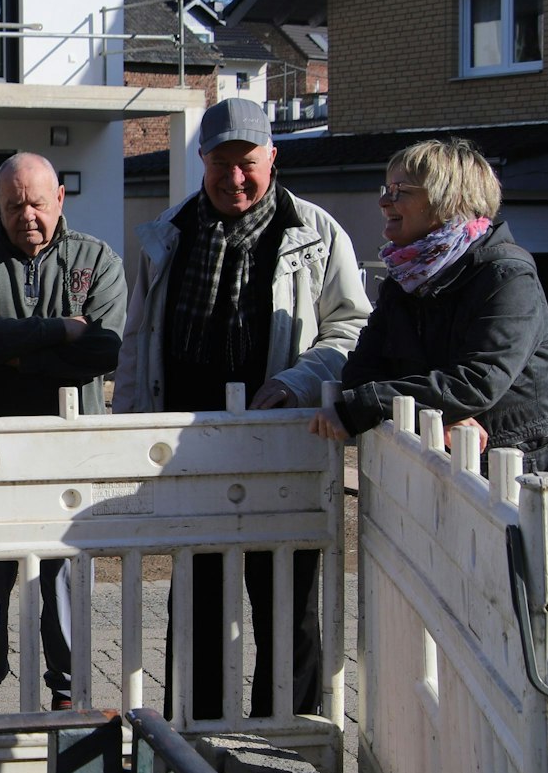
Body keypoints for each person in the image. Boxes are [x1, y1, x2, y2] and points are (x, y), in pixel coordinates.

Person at [114, 97, 369, 720]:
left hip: (286, 448)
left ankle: (288, 746)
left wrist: (300, 380)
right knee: (196, 607)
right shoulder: (167, 235)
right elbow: (139, 339)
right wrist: (130, 430)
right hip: (192, 456)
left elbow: (352, 329)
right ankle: (195, 746)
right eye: (220, 163)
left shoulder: (316, 234)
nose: (234, 178)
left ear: (273, 157)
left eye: (247, 163)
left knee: (288, 604)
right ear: (201, 160)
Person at [309, 138, 548, 531]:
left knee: (520, 593)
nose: (384, 202)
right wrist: (441, 415)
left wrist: (367, 406)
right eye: (385, 190)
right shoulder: (405, 279)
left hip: (521, 479)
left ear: (449, 200)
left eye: (400, 192)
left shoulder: (506, 276)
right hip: (446, 479)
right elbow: (360, 374)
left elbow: (478, 380)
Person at [0, 152, 125, 711]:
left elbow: (104, 349)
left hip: (70, 454)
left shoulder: (97, 259)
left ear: (59, 200)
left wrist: (12, 348)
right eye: (13, 205)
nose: (26, 215)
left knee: (64, 575)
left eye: (37, 203)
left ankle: (68, 693)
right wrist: (59, 331)